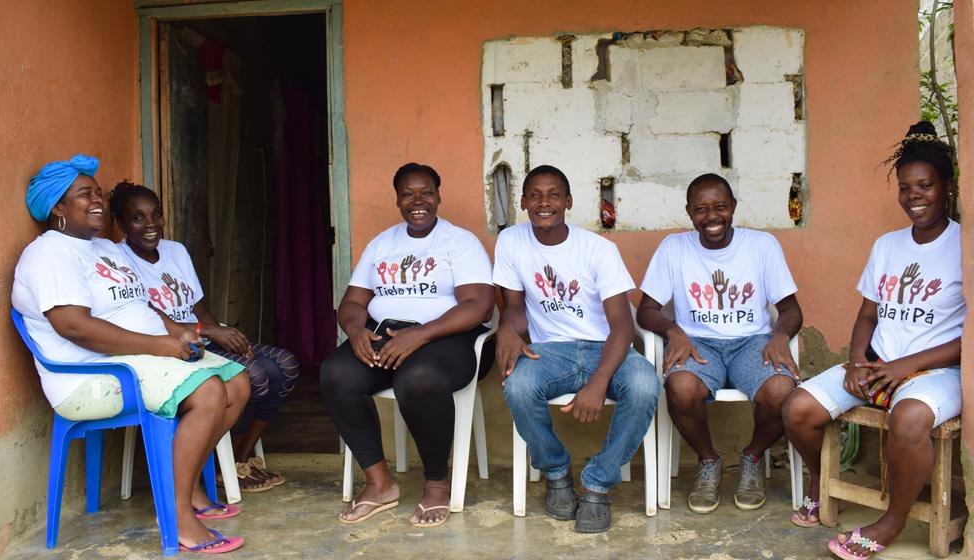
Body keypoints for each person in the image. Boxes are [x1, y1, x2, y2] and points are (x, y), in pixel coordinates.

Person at [12, 156, 249, 553]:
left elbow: (141, 305)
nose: (98, 201)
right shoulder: (49, 254)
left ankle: (186, 490)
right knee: (208, 391)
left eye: (98, 192)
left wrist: (178, 332)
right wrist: (159, 345)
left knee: (237, 383)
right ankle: (178, 518)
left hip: (139, 358)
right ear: (57, 207)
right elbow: (74, 326)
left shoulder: (103, 247)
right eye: (84, 194)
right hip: (92, 375)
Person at [783, 121, 964, 559]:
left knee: (909, 419)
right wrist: (857, 360)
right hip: (878, 361)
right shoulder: (887, 245)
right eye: (905, 188)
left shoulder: (966, 245)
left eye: (925, 185)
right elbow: (868, 313)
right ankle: (821, 485)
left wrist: (907, 366)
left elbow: (971, 333)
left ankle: (892, 520)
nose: (914, 197)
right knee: (797, 409)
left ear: (948, 187)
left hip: (938, 370)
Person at [319, 163, 495, 527]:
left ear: (438, 196)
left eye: (426, 192)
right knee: (336, 372)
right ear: (397, 199)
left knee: (418, 378)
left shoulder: (459, 242)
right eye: (408, 194)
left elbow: (479, 304)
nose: (418, 201)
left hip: (450, 338)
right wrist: (356, 332)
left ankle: (435, 484)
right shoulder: (382, 244)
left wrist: (422, 333)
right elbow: (352, 303)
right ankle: (379, 483)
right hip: (387, 335)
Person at [496, 164, 659, 534]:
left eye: (554, 195)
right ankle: (555, 471)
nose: (544, 203)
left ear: (568, 201)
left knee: (645, 385)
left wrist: (600, 381)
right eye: (535, 195)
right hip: (552, 351)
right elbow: (515, 309)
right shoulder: (511, 242)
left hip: (607, 348)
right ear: (523, 202)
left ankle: (598, 483)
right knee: (518, 387)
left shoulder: (599, 250)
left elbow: (622, 326)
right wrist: (507, 329)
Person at [110, 181, 299, 493]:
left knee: (285, 365)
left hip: (202, 335)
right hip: (174, 347)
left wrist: (223, 335)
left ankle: (239, 457)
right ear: (120, 223)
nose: (151, 224)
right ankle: (217, 463)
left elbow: (197, 307)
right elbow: (150, 317)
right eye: (138, 217)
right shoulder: (119, 261)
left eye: (156, 214)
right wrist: (208, 332)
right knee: (255, 375)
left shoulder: (175, 251)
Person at [637, 172, 803, 514]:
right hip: (698, 345)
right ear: (689, 212)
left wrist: (781, 336)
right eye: (701, 209)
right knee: (680, 387)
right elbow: (646, 311)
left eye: (720, 207)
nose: (711, 217)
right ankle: (708, 461)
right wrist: (675, 332)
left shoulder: (761, 245)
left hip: (751, 343)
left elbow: (790, 309)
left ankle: (753, 456)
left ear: (734, 208)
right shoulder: (674, 248)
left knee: (782, 391)